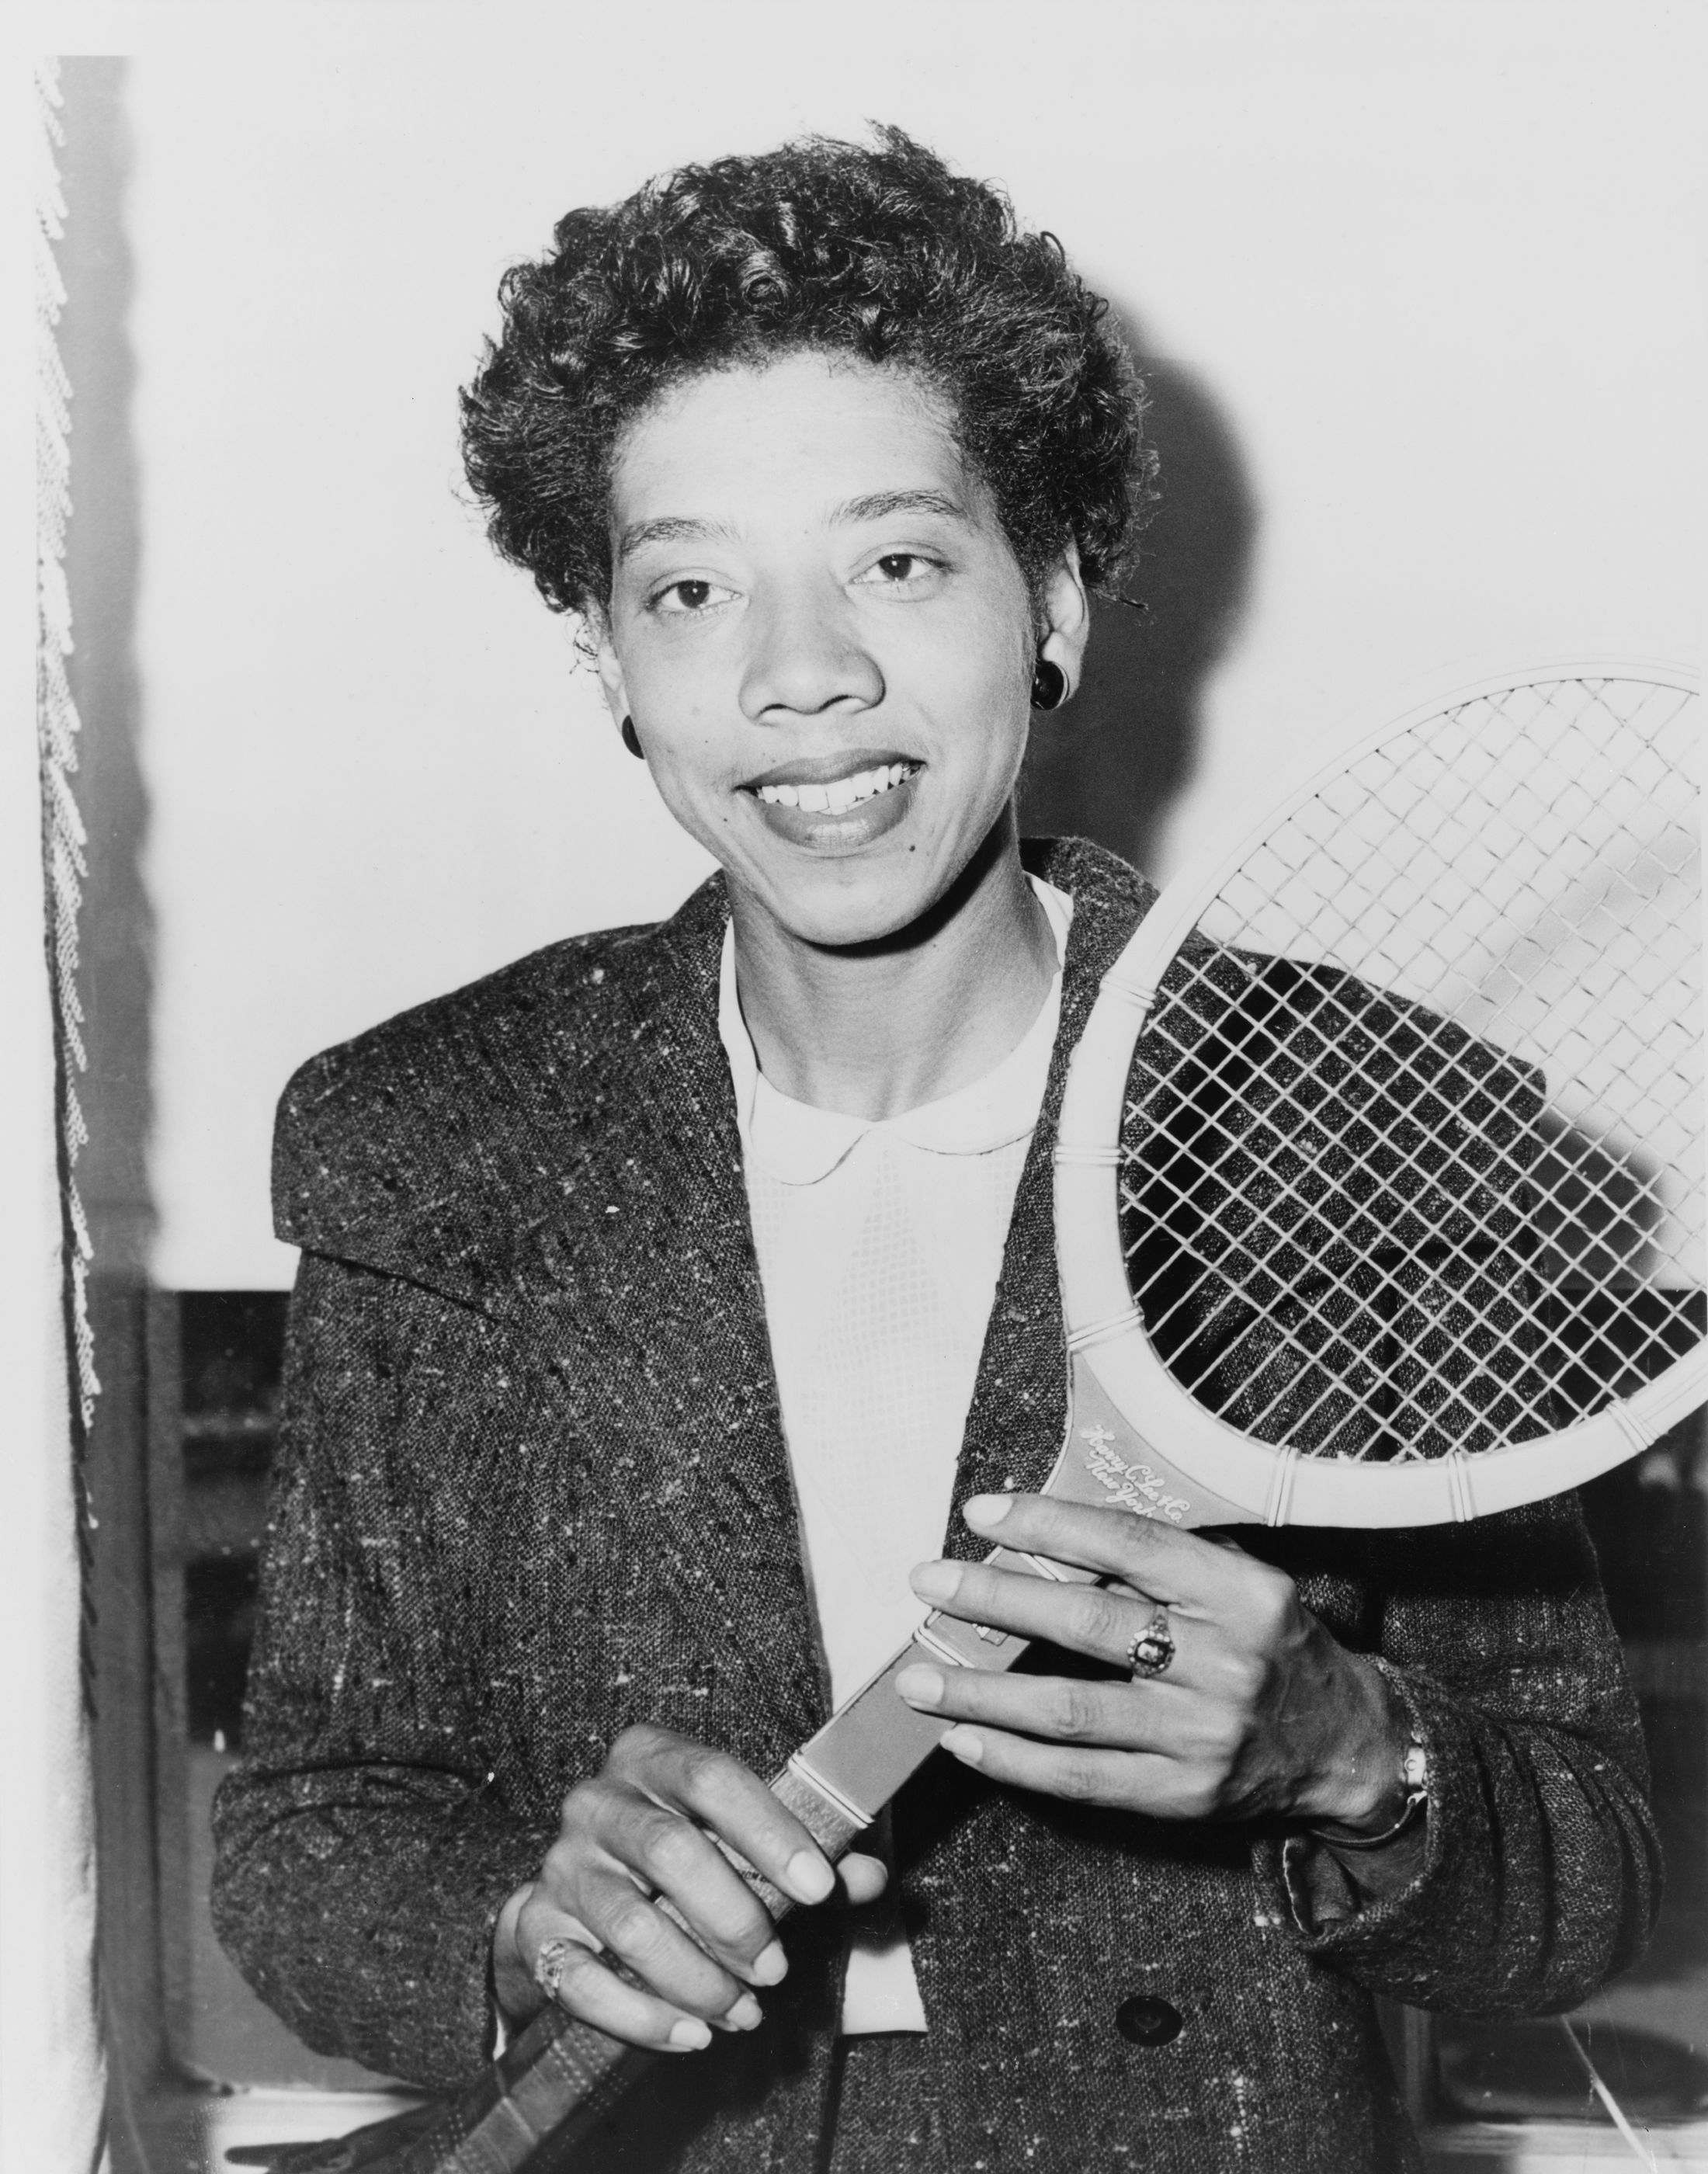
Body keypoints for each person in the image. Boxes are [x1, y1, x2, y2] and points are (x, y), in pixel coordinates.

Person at [212, 130, 1659, 2173]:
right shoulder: (434, 1137)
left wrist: (1346, 1750)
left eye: (900, 560)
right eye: (692, 587)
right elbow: (312, 1834)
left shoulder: (1344, 1117)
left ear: (1053, 597)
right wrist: (531, 1915)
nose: (802, 674)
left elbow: (1582, 1884)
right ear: (606, 661)